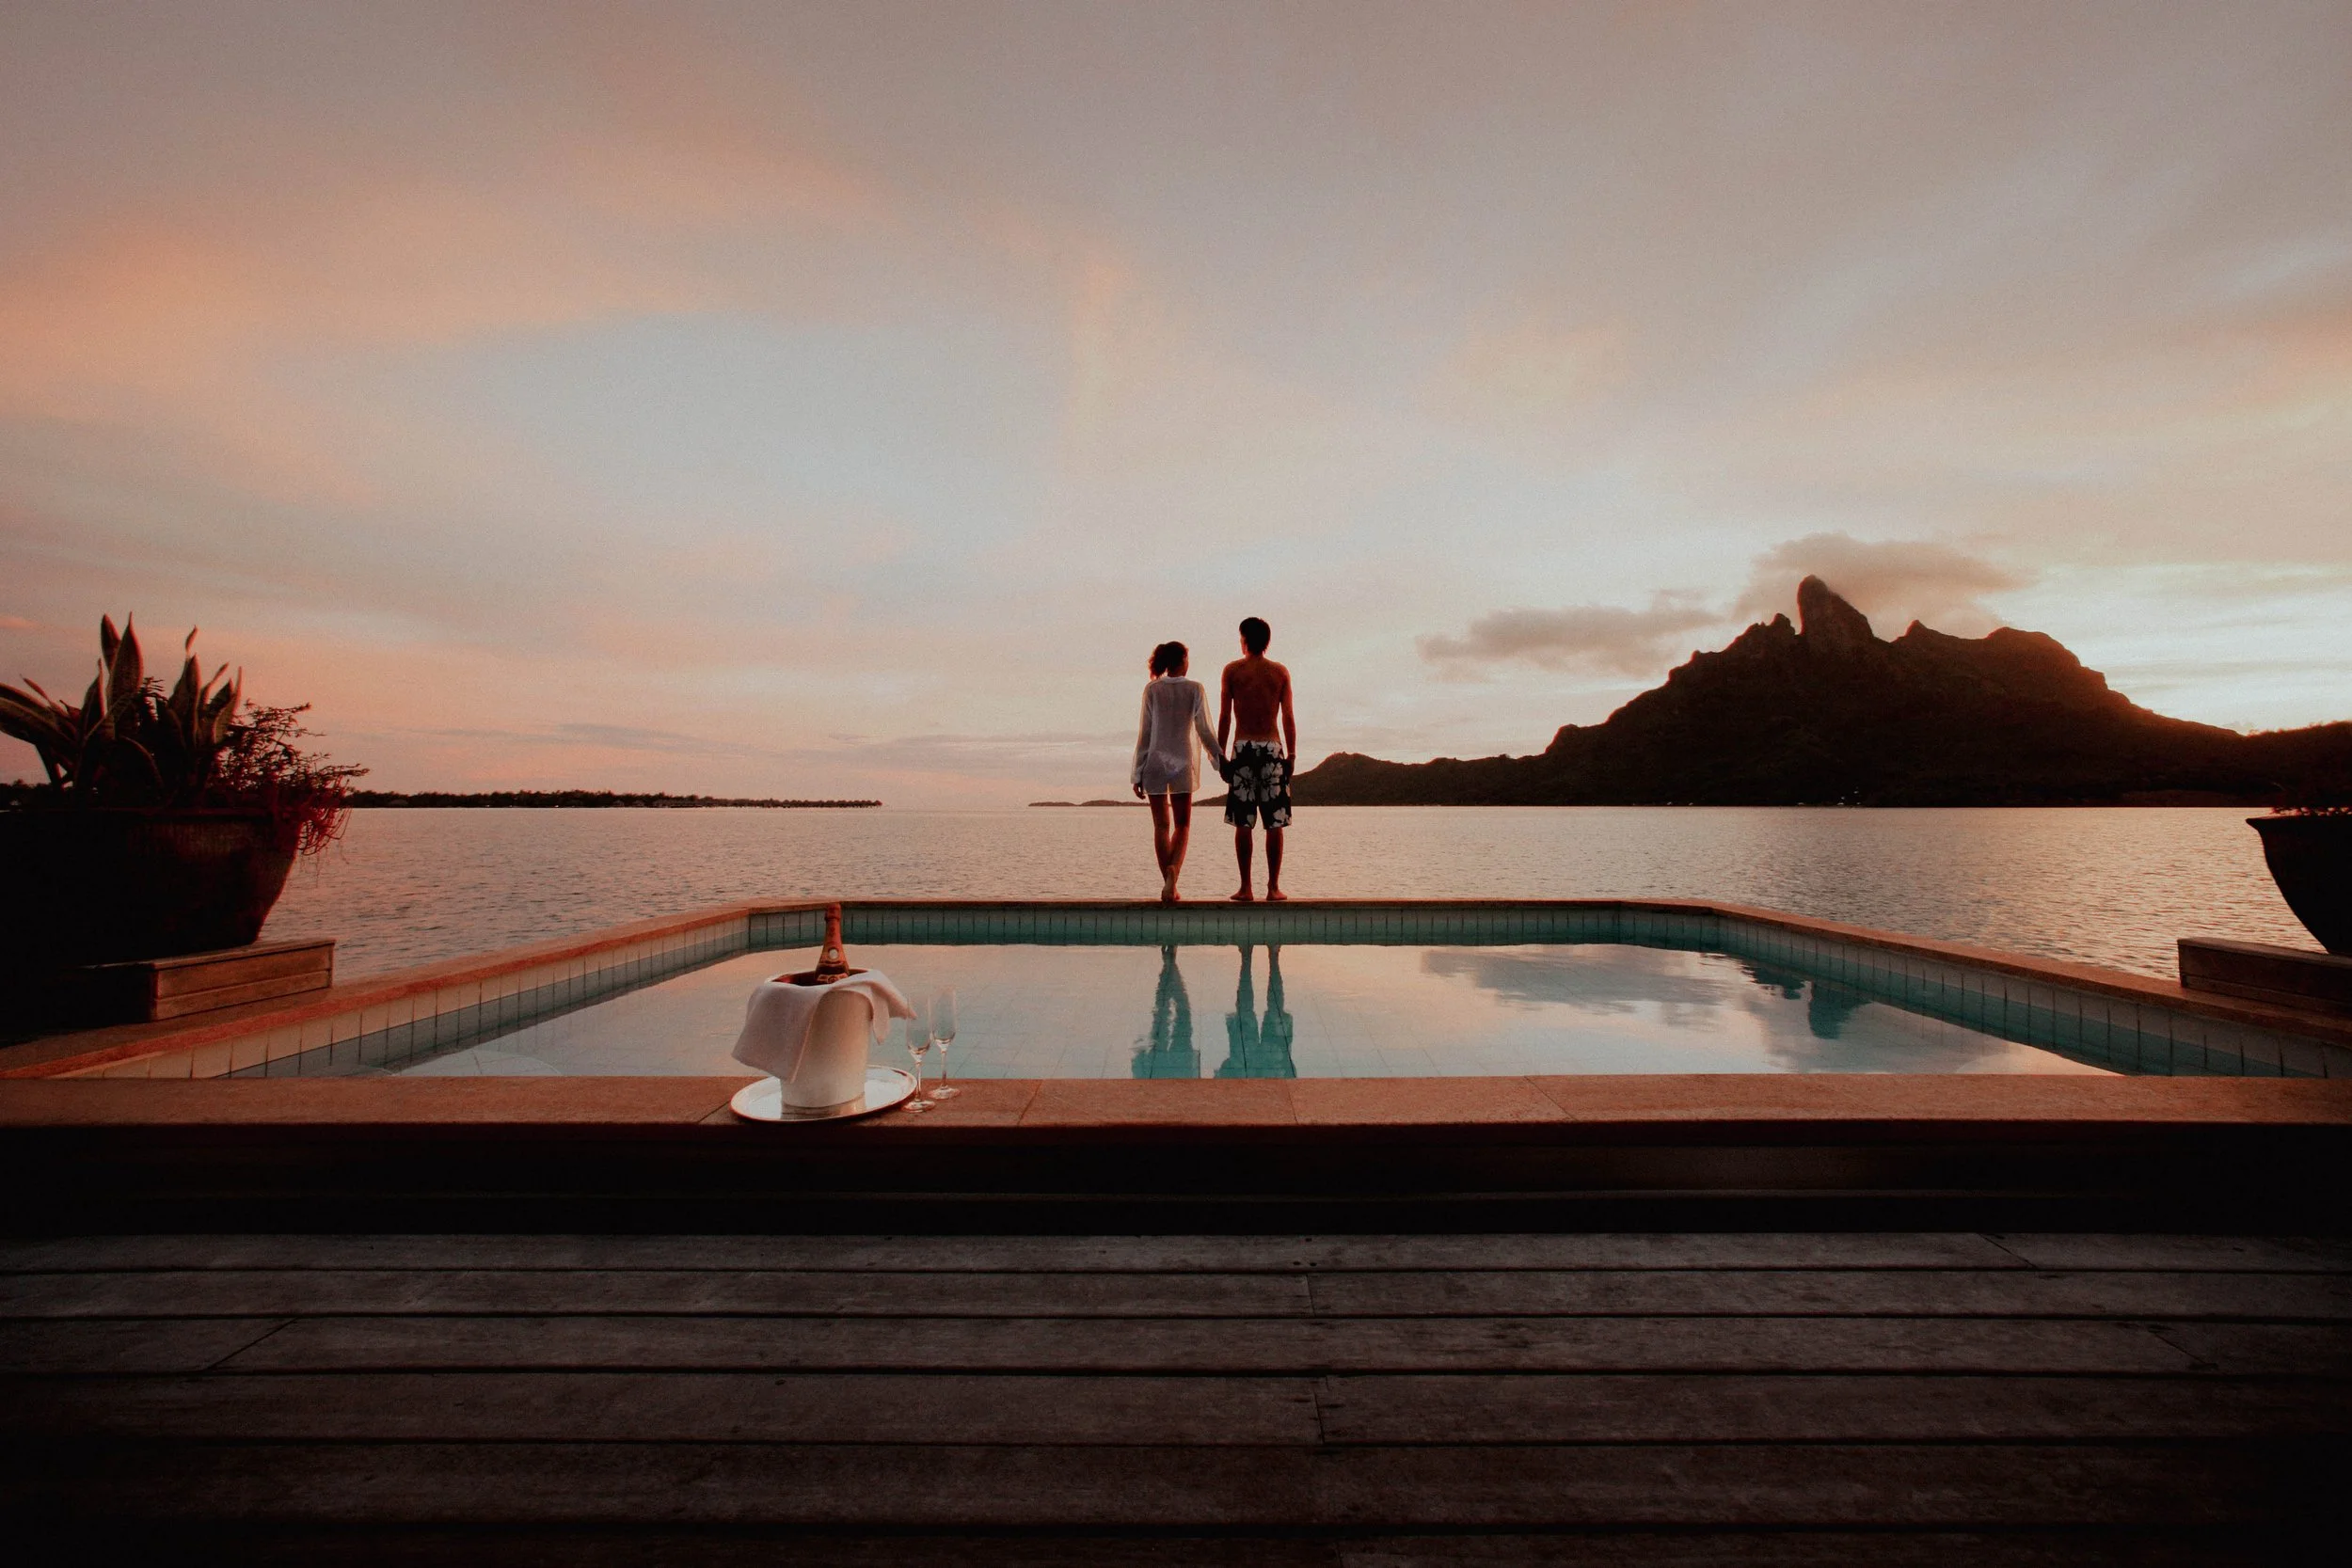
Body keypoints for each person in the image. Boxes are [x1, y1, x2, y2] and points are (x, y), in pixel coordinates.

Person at [1130, 640, 1223, 902]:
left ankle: (1168, 884)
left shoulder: (1152, 690)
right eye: (1187, 657)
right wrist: (1218, 759)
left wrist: (1137, 773)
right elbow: (1205, 729)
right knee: (1182, 825)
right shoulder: (1195, 689)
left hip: (1155, 764)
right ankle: (1174, 874)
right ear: (1182, 660)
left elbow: (1145, 734)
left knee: (1161, 826)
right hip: (1182, 761)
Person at [1217, 616, 1295, 902]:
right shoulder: (1280, 672)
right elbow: (1287, 716)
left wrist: (1220, 755)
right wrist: (1292, 754)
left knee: (1243, 822)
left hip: (1244, 748)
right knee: (1274, 822)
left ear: (1245, 640)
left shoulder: (1232, 671)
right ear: (1267, 642)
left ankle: (1246, 887)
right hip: (1273, 747)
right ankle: (1273, 888)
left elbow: (1225, 716)